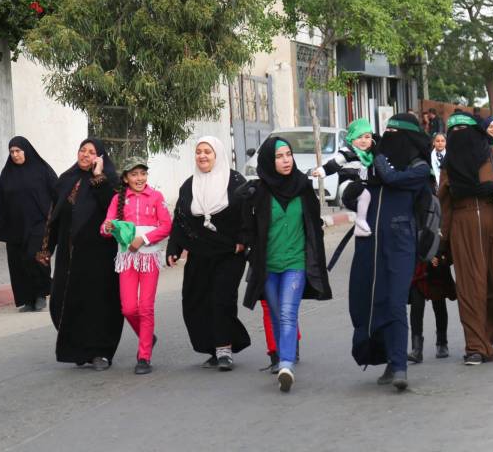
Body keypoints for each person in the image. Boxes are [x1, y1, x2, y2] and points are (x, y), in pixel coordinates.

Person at [241, 137, 332, 392]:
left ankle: (286, 365)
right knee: (275, 313)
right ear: (269, 161)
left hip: (296, 262)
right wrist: (246, 246)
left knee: (287, 313)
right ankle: (284, 356)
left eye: (288, 155)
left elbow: (314, 223)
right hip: (267, 265)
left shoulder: (303, 187)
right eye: (279, 156)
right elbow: (247, 227)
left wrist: (316, 254)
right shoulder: (259, 192)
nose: (285, 160)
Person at [349, 113, 431, 391]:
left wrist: (379, 160)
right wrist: (353, 190)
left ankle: (399, 366)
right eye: (387, 132)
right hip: (369, 242)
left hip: (401, 242)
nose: (388, 138)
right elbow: (355, 193)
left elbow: (392, 178)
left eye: (395, 134)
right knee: (371, 300)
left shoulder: (419, 168)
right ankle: (386, 357)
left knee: (395, 302)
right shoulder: (372, 162)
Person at [439, 111, 493, 365]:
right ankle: (476, 347)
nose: (459, 137)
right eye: (453, 133)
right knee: (470, 290)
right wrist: (442, 243)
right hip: (463, 227)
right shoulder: (448, 165)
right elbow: (444, 204)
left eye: (463, 131)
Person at [36, 139, 124, 370]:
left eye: (91, 152)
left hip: (99, 255)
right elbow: (53, 216)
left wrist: (98, 178)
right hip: (69, 255)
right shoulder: (66, 179)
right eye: (82, 150)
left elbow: (114, 210)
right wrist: (46, 248)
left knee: (98, 304)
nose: (85, 155)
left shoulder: (110, 180)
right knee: (60, 302)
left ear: (100, 157)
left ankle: (101, 352)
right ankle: (79, 348)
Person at [167, 137, 251, 371]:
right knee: (195, 300)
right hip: (200, 253)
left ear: (218, 155)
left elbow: (248, 212)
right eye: (198, 151)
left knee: (221, 299)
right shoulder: (189, 185)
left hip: (229, 253)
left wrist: (243, 240)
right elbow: (180, 219)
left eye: (207, 151)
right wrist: (174, 247)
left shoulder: (235, 182)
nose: (202, 156)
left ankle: (224, 349)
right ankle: (213, 347)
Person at [102, 158, 172, 375]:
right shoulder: (118, 199)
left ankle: (144, 357)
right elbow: (106, 227)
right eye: (134, 174)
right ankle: (147, 336)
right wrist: (107, 227)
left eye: (143, 173)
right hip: (127, 258)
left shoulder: (156, 196)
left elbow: (166, 226)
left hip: (149, 258)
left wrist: (144, 239)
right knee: (129, 308)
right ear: (125, 178)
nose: (139, 178)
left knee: (146, 307)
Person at [0, 136, 57, 312]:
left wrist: (58, 217)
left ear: (26, 151)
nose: (15, 155)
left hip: (40, 225)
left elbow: (57, 192)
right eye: (12, 152)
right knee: (19, 263)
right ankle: (28, 299)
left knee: (35, 256)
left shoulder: (42, 170)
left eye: (18, 151)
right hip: (16, 227)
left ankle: (41, 294)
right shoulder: (7, 174)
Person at [312, 118, 376, 237]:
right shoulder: (347, 152)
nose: (363, 140)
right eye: (359, 137)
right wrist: (322, 170)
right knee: (365, 194)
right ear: (351, 138)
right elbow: (333, 164)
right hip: (347, 186)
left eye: (367, 137)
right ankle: (361, 221)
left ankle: (361, 225)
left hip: (361, 187)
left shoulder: (370, 155)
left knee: (368, 195)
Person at [407, 255, 456, 363]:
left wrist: (441, 257)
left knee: (439, 304)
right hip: (417, 265)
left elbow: (445, 247)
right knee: (416, 306)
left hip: (436, 265)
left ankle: (442, 342)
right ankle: (416, 349)